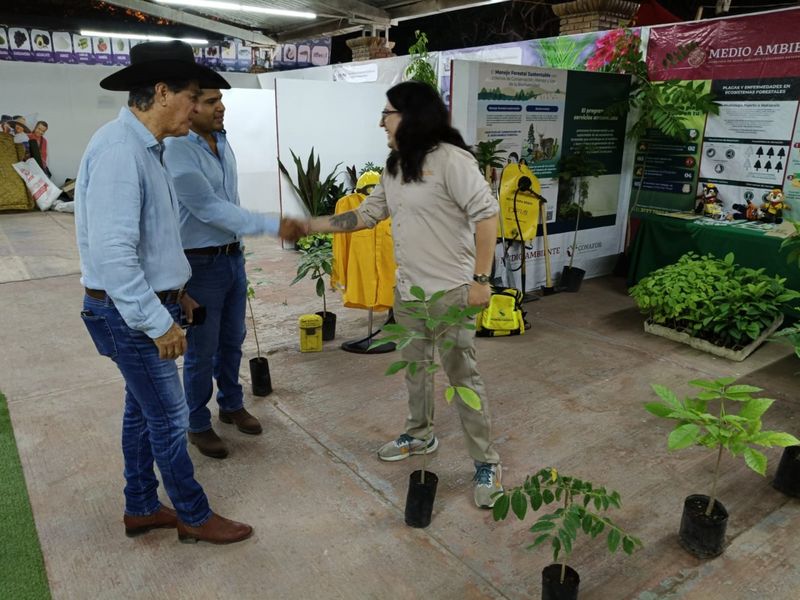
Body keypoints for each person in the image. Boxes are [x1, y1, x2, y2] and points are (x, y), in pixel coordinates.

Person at [74, 41, 253, 544]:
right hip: (129, 313)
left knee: (143, 410)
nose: (198, 108)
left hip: (150, 301)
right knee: (171, 417)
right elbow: (114, 256)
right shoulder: (119, 151)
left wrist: (179, 293)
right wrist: (158, 320)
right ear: (161, 92)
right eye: (193, 97)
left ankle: (141, 507)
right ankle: (193, 514)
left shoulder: (147, 149)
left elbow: (153, 240)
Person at [306, 81, 504, 509]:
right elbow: (366, 215)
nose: (381, 121)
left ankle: (486, 461)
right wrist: (311, 225)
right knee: (416, 372)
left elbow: (488, 216)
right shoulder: (395, 166)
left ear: (411, 115)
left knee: (462, 378)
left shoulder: (453, 161)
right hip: (409, 295)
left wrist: (481, 280)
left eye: (388, 112)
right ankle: (420, 435)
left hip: (451, 293)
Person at [163, 89, 303, 459]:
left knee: (232, 339)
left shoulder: (223, 141)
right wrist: (271, 223)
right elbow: (209, 208)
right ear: (189, 106)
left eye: (220, 99)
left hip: (231, 258)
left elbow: (231, 203)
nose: (221, 107)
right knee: (201, 349)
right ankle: (197, 423)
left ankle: (230, 404)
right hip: (200, 264)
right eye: (211, 101)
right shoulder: (178, 149)